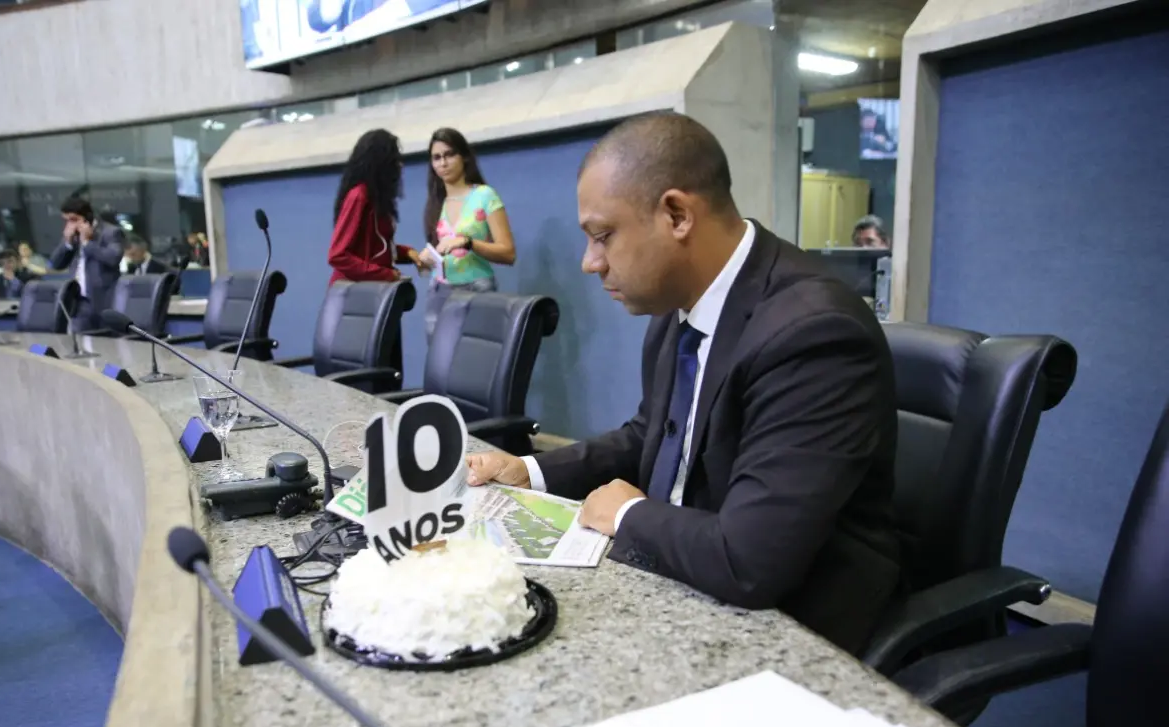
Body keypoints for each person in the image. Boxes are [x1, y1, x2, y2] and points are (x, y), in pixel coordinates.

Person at [466, 115, 900, 655]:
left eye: (603, 236)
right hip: (683, 579)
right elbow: (650, 434)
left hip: (793, 629)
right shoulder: (680, 307)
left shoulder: (813, 334)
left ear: (676, 215)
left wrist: (628, 515)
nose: (589, 263)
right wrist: (530, 471)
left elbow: (752, 561)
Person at [421, 127, 517, 336]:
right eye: (437, 158)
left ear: (464, 157)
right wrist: (426, 261)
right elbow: (438, 253)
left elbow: (508, 253)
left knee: (477, 352)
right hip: (439, 290)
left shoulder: (485, 195)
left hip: (477, 288)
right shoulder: (436, 202)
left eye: (449, 155)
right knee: (439, 354)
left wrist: (468, 242)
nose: (443, 163)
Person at [328, 128, 424, 286]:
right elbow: (338, 256)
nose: (399, 165)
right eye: (394, 160)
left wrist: (407, 253)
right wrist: (386, 274)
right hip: (352, 291)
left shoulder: (376, 198)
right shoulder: (359, 196)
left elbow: (376, 250)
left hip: (370, 289)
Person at [48, 195, 123, 333]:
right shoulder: (72, 235)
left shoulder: (111, 232)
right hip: (78, 302)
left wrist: (88, 243)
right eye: (67, 220)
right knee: (80, 340)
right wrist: (68, 243)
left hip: (103, 300)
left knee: (107, 342)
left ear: (87, 217)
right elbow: (56, 264)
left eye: (74, 219)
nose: (70, 225)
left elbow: (113, 258)